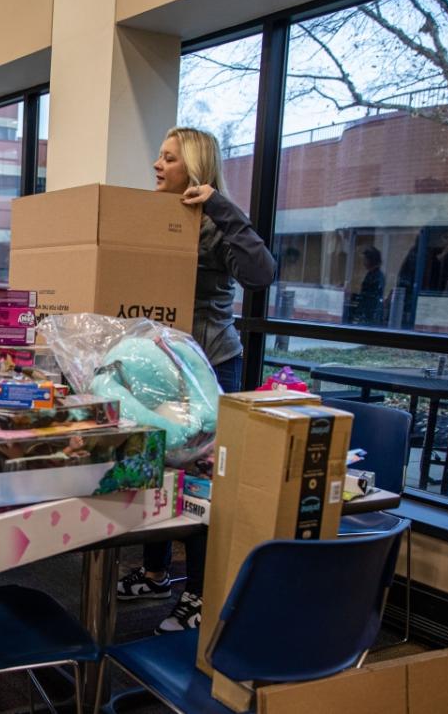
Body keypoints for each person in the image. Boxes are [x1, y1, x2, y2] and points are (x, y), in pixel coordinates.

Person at [117, 127, 275, 634]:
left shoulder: (214, 224)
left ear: (196, 168)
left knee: (202, 478)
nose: (157, 165)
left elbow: (262, 273)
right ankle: (157, 570)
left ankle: (202, 595)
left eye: (168, 158)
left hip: (208, 364)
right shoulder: (153, 219)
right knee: (156, 462)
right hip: (160, 364)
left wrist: (221, 207)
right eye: (158, 156)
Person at [351, 246, 386, 325]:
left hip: (370, 317)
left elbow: (369, 297)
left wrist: (353, 296)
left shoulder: (377, 276)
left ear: (371, 260)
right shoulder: (371, 274)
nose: (363, 262)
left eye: (365, 259)